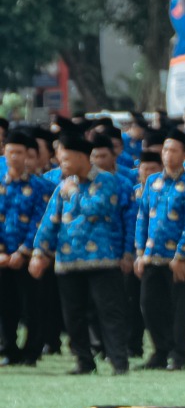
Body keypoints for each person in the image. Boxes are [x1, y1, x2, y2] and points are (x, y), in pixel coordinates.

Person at [29, 133, 132, 375]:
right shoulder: (63, 186)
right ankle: (84, 362)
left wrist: (74, 193)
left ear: (80, 157)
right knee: (73, 315)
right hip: (68, 260)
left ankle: (119, 362)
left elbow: (98, 208)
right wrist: (39, 252)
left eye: (65, 159)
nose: (61, 164)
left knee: (109, 312)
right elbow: (49, 221)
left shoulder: (107, 181)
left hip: (102, 261)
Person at [133, 132, 185, 370]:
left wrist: (181, 256)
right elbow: (143, 217)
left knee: (179, 309)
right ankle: (160, 350)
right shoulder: (152, 182)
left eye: (173, 150)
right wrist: (140, 252)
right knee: (149, 305)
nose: (167, 155)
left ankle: (178, 355)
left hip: (178, 260)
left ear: (184, 155)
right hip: (152, 256)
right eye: (165, 150)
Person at [1, 130, 49, 365]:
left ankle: (32, 352)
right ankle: (8, 349)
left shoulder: (40, 187)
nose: (15, 157)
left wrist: (23, 251)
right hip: (2, 257)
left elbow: (40, 221)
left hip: (29, 257)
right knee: (5, 305)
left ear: (27, 155)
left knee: (33, 306)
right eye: (10, 152)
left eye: (19, 152)